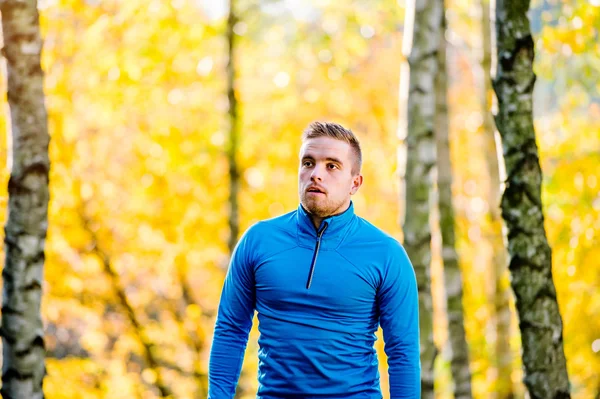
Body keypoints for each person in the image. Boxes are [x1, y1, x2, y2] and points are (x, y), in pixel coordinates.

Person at [208, 121, 420, 398]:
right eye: (308, 163)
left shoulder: (386, 254)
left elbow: (402, 353)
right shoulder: (258, 241)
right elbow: (231, 330)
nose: (316, 174)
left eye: (332, 166)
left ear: (355, 183)